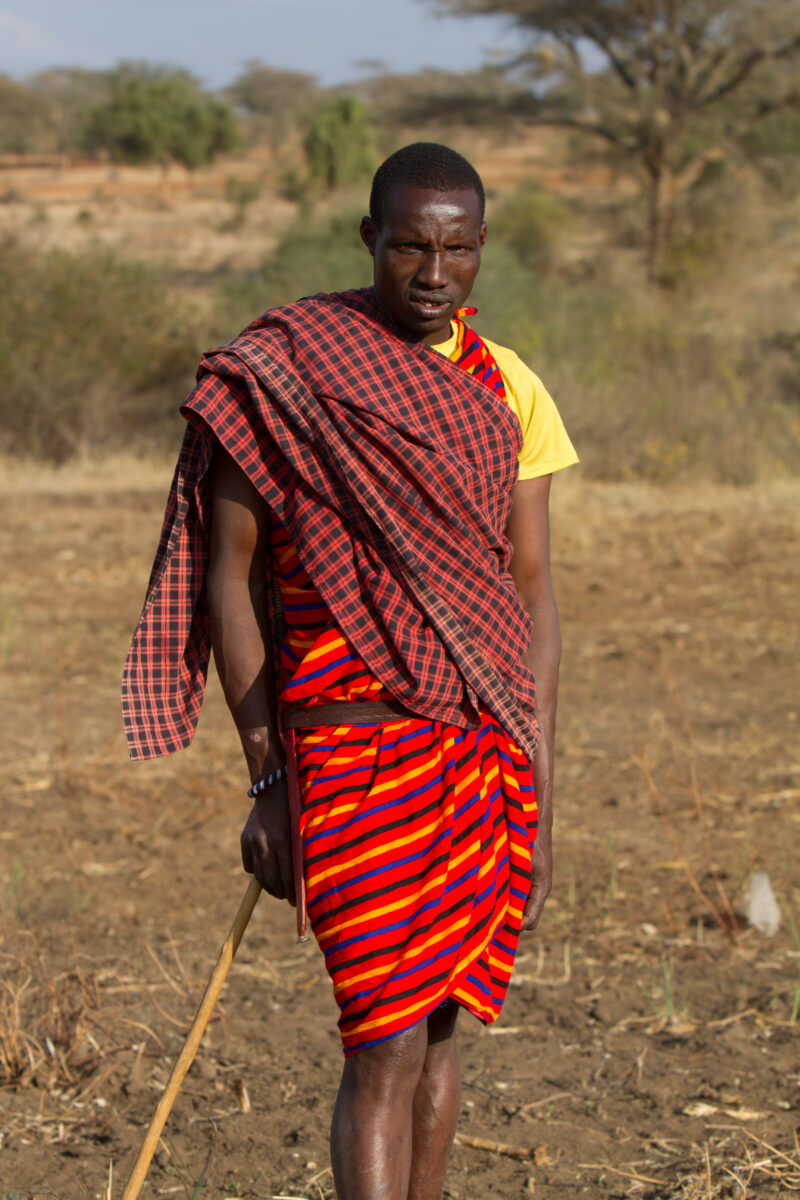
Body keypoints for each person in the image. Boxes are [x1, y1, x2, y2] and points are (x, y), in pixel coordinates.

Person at [123, 142, 578, 1200]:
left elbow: (532, 594)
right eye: (409, 245)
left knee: (439, 1030)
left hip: (477, 752)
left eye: (456, 249)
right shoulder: (282, 375)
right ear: (366, 239)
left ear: (480, 249)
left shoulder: (506, 386)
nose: (431, 272)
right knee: (380, 1044)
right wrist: (264, 772)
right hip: (346, 752)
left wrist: (544, 800)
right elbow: (227, 579)